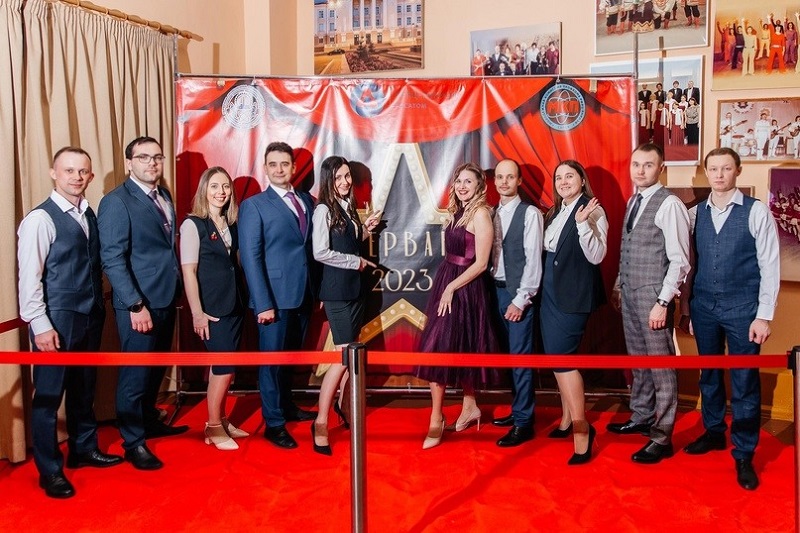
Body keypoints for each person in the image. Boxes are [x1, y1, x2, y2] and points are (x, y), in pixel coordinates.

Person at [18, 147, 123, 498]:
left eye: (83, 172)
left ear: (90, 176)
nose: (77, 177)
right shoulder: (40, 219)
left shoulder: (88, 213)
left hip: (90, 315)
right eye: (69, 170)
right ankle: (50, 471)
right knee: (49, 397)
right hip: (57, 320)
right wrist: (40, 325)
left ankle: (83, 449)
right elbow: (29, 280)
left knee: (83, 388)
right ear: (54, 173)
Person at [680, 148, 779, 491]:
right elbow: (688, 265)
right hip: (704, 307)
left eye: (725, 168)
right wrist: (687, 310)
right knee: (708, 375)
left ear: (737, 170)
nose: (719, 175)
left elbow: (770, 266)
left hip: (743, 310)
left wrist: (763, 316)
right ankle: (713, 432)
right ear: (706, 172)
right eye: (713, 169)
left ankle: (744, 452)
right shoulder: (695, 214)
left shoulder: (756, 211)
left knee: (744, 381)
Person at [98, 136, 187, 471]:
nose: (152, 163)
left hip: (165, 296)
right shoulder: (116, 202)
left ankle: (148, 421)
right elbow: (112, 259)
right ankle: (133, 442)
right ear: (129, 163)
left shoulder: (163, 195)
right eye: (144, 157)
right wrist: (135, 305)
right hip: (139, 304)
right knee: (134, 375)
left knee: (154, 368)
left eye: (157, 157)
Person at [607, 143, 690, 465]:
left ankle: (662, 436)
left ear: (661, 168)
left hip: (654, 297)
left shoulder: (669, 204)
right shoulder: (634, 200)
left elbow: (679, 261)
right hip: (630, 293)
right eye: (636, 164)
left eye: (648, 165)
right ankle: (641, 416)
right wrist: (619, 286)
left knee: (661, 366)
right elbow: (628, 248)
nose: (640, 171)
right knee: (638, 360)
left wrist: (663, 302)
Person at [238, 141, 317, 450]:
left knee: (290, 358)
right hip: (272, 299)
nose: (279, 169)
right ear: (265, 168)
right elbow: (251, 257)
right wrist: (263, 303)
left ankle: (286, 406)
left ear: (294, 168)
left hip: (303, 295)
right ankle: (273, 423)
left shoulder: (307, 201)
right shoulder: (254, 205)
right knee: (271, 362)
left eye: (285, 164)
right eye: (273, 164)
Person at [415, 162, 498, 449]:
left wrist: (451, 287)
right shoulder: (457, 212)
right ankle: (469, 405)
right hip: (448, 281)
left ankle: (436, 418)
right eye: (459, 181)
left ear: (479, 186)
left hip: (465, 288)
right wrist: (446, 284)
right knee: (452, 346)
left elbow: (482, 263)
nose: (462, 186)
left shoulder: (481, 214)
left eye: (468, 181)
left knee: (444, 349)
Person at [310, 156, 380, 455]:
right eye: (338, 177)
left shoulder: (348, 205)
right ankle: (320, 422)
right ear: (328, 179)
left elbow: (348, 240)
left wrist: (366, 229)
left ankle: (343, 406)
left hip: (356, 290)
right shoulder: (323, 210)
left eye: (347, 176)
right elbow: (320, 251)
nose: (345, 182)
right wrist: (356, 262)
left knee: (352, 354)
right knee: (342, 358)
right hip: (337, 292)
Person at [540, 160, 608, 465]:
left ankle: (583, 430)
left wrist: (582, 224)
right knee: (556, 358)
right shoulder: (555, 211)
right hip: (550, 293)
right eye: (559, 177)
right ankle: (567, 419)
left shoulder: (592, 209)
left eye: (570, 176)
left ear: (582, 180)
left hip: (572, 296)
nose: (564, 181)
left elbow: (597, 256)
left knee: (563, 359)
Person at [180, 166, 249, 451]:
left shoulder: (231, 223)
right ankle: (212, 426)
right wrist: (197, 313)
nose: (221, 192)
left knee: (226, 369)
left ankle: (221, 419)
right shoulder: (193, 224)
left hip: (234, 304)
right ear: (204, 190)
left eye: (226, 187)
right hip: (211, 309)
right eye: (215, 186)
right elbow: (189, 272)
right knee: (223, 367)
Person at [488, 159, 543, 447]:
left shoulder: (530, 214)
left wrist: (521, 300)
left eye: (510, 177)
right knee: (509, 357)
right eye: (500, 177)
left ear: (520, 181)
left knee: (521, 359)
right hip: (494, 291)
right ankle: (517, 409)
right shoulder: (491, 212)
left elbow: (533, 261)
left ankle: (524, 422)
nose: (504, 182)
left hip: (517, 294)